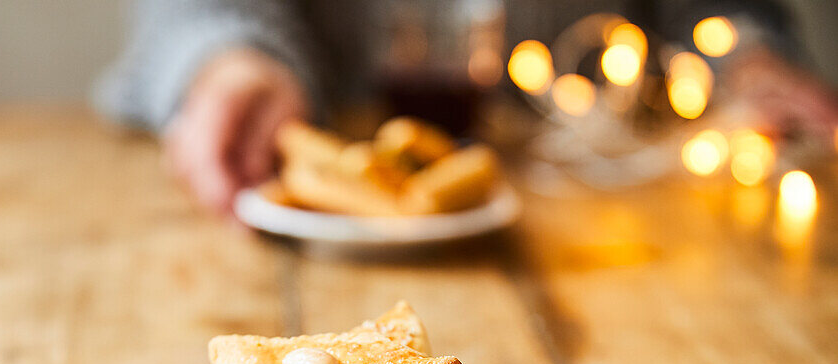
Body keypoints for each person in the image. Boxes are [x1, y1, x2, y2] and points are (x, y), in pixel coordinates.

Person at [96, 0, 838, 213]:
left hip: (596, 203)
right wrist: (230, 59)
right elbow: (184, 15)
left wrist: (744, 54)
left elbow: (720, 11)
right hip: (299, 205)